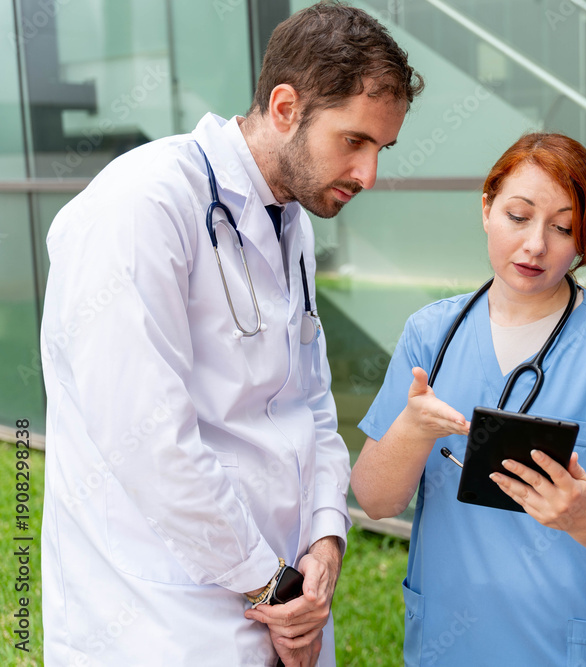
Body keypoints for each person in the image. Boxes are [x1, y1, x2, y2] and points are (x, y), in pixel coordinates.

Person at [39, 3, 422, 665]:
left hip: (283, 600)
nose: (369, 175)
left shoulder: (288, 219)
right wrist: (273, 586)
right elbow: (148, 441)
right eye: (355, 141)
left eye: (381, 149)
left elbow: (311, 401)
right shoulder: (141, 207)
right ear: (284, 107)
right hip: (164, 621)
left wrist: (327, 537)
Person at [351, 133, 586, 665]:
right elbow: (376, 501)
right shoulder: (431, 337)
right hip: (454, 640)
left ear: (583, 242)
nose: (536, 245)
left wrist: (583, 515)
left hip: (572, 645)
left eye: (562, 227)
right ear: (487, 209)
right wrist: (411, 430)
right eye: (518, 216)